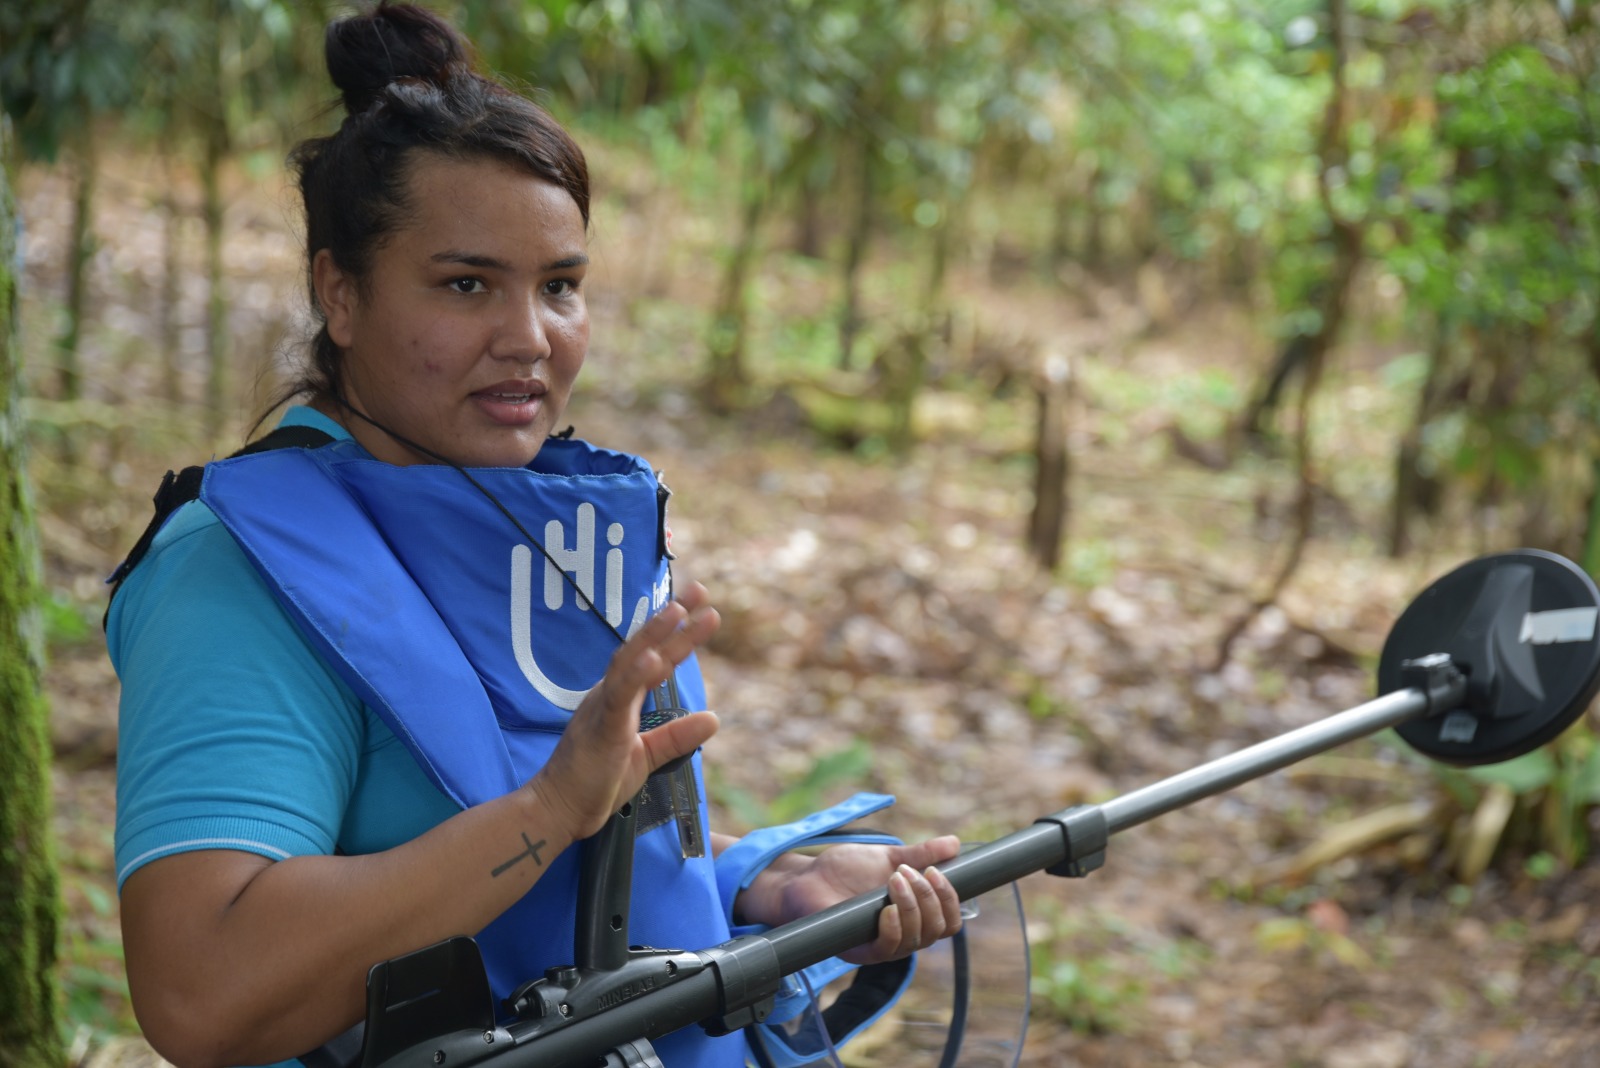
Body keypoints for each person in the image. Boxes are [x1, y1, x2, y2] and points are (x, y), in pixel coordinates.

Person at [107, 5, 963, 1068]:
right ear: (339, 292)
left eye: (560, 286)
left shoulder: (556, 523)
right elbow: (203, 991)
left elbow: (591, 861)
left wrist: (766, 881)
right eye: (466, 285)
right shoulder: (241, 577)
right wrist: (551, 806)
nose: (529, 340)